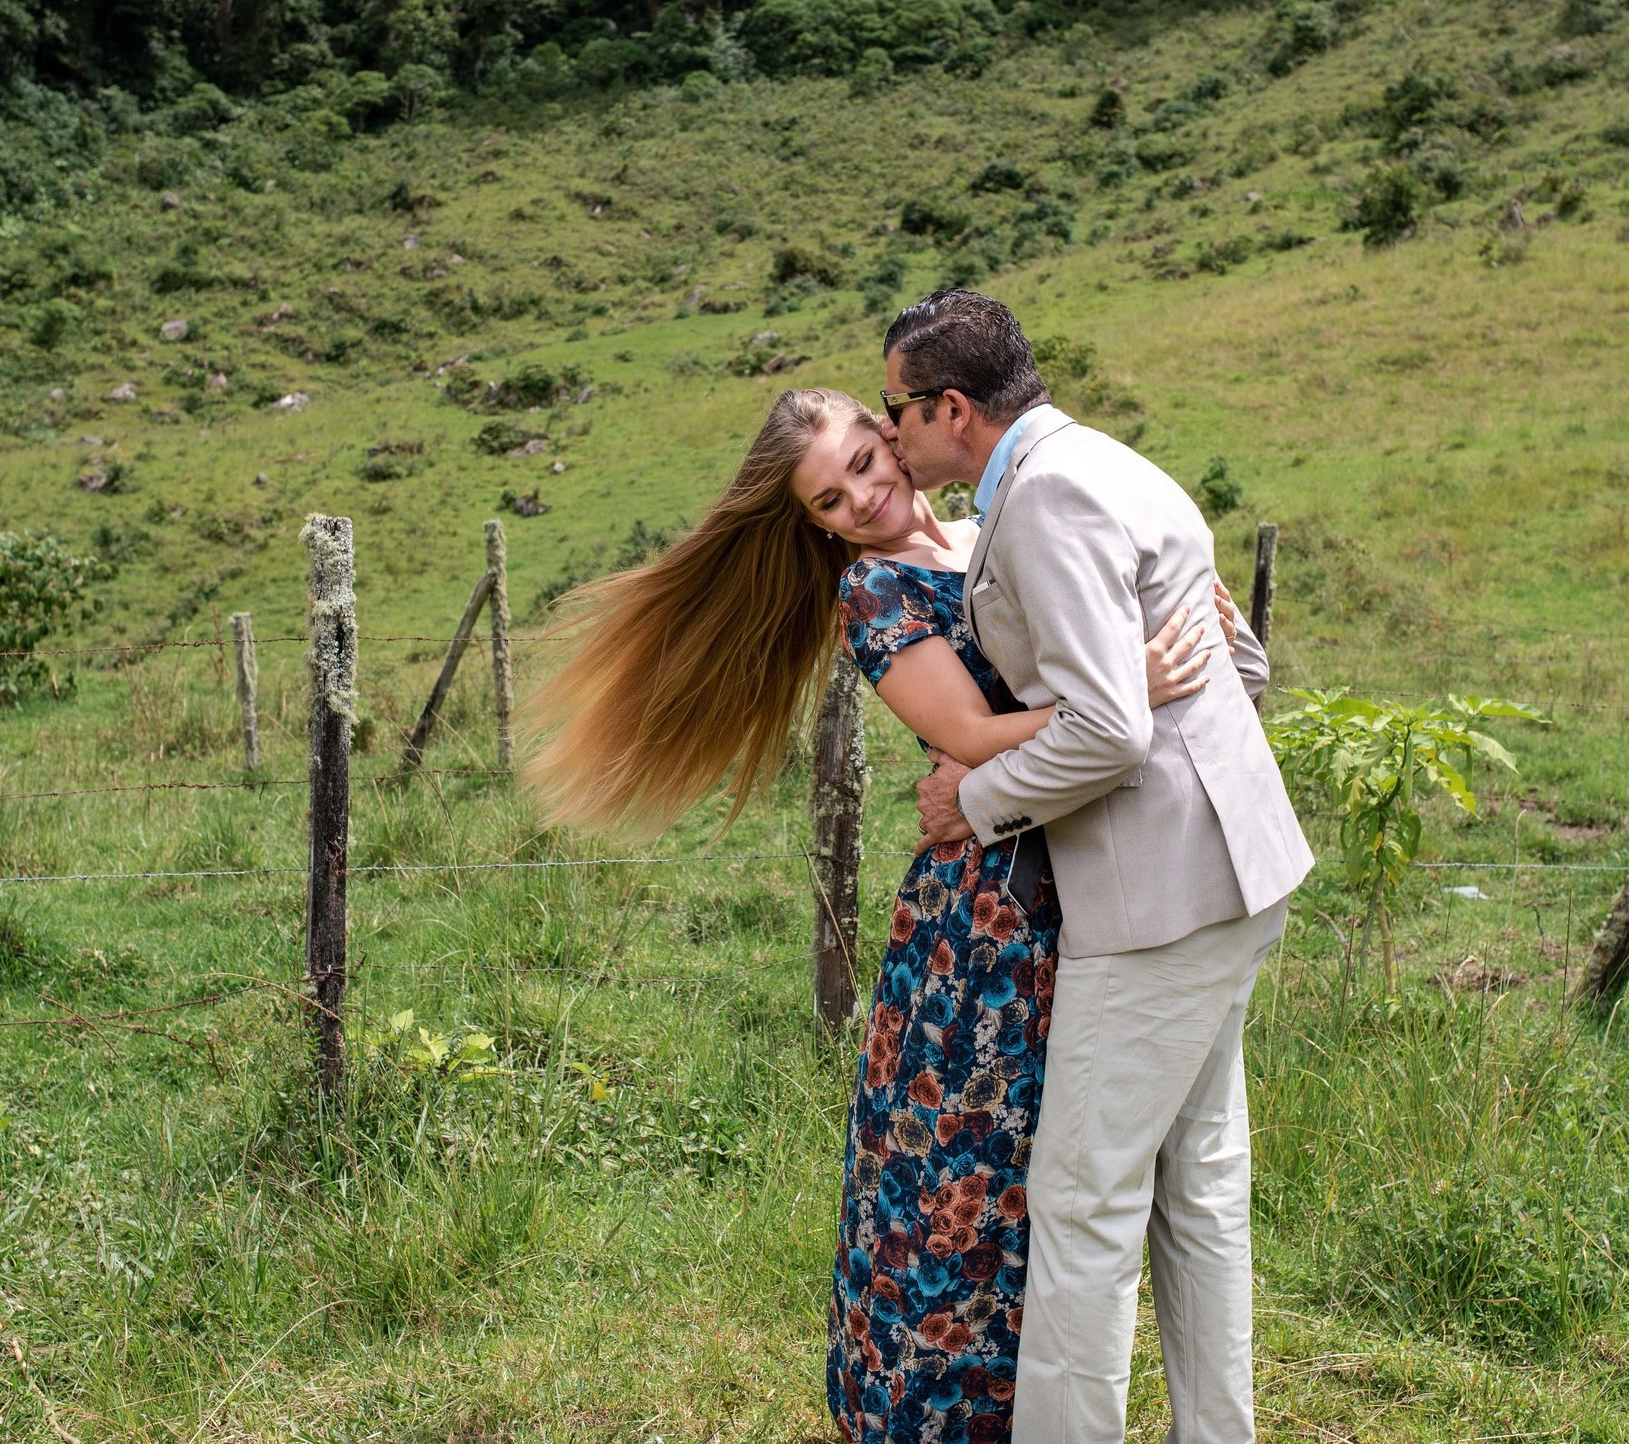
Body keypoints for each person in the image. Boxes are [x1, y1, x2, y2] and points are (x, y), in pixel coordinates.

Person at [523, 385, 1236, 1442]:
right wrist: (1123, 682)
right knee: (958, 1185)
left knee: (1067, 1180)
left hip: (1091, 870)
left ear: (895, 431)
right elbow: (966, 727)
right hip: (984, 922)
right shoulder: (875, 591)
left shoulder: (1001, 525)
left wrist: (1179, 622)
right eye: (829, 496)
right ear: (812, 524)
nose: (863, 493)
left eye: (865, 457)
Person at [883, 290, 1314, 1444]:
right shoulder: (1115, 462)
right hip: (1235, 866)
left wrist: (967, 799)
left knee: (1083, 1203)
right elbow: (1239, 655)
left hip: (1158, 896)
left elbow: (1110, 728)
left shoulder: (1044, 500)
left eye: (899, 409)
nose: (892, 436)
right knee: (1201, 1185)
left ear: (953, 408)